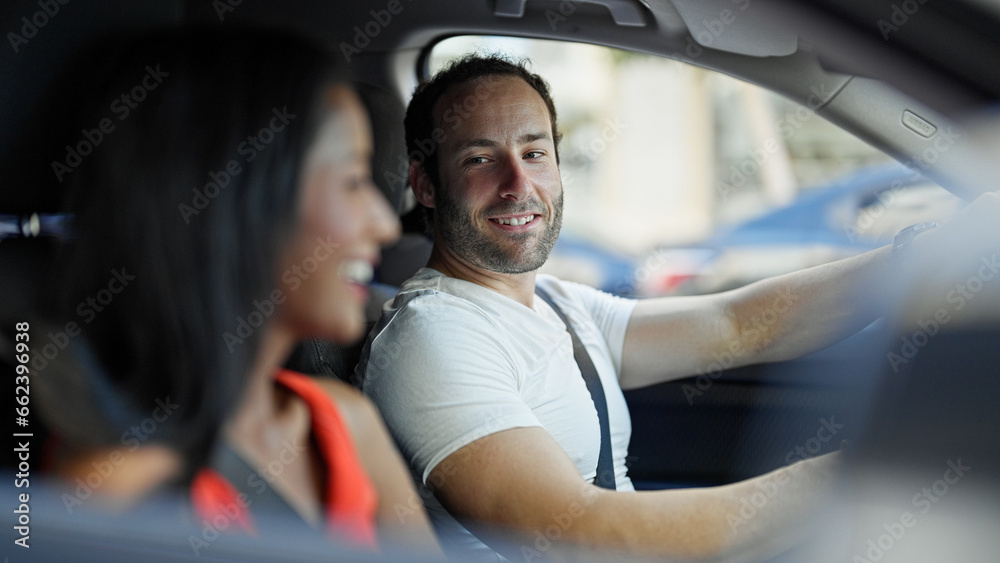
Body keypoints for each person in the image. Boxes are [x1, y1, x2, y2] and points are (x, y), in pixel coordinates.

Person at [355, 54, 1000, 560]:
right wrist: (882, 470)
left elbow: (740, 325)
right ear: (424, 183)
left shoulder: (548, 300)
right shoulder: (432, 339)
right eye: (479, 159)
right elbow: (585, 537)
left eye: (534, 152)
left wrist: (925, 252)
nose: (518, 183)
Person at [33, 28, 440, 555]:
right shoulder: (116, 492)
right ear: (240, 200)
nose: (386, 225)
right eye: (352, 180)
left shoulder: (343, 421)